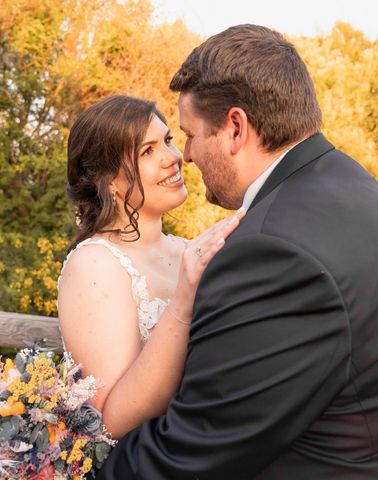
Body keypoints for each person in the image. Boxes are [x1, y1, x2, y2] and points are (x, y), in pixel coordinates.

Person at [96, 25, 378, 479]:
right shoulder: (348, 179)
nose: (185, 156)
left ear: (235, 128)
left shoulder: (273, 251)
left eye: (190, 134)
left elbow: (193, 452)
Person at [57, 95, 245, 440]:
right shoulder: (95, 264)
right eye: (148, 151)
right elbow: (110, 424)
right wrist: (184, 299)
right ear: (110, 179)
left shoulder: (187, 250)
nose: (174, 158)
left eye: (169, 141)